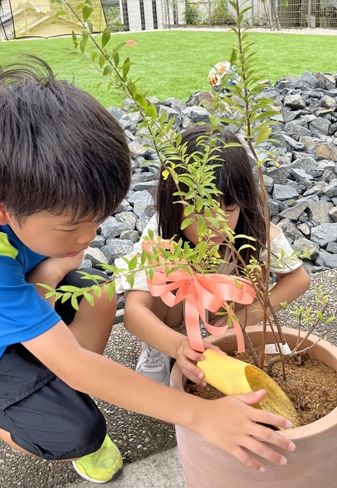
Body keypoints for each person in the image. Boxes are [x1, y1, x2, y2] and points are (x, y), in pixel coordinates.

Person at [0, 59, 295, 483]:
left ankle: (50, 386)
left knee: (98, 292)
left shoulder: (24, 187)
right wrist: (201, 414)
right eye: (72, 227)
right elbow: (75, 358)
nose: (88, 238)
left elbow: (55, 282)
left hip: (5, 301)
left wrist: (51, 271)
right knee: (79, 432)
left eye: (98, 220)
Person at [120, 125, 311, 387]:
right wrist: (177, 345)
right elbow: (134, 311)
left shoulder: (254, 229)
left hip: (221, 311)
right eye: (200, 210)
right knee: (162, 274)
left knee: (256, 268)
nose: (216, 225)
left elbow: (299, 279)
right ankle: (156, 347)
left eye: (229, 207)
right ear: (173, 204)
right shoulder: (161, 233)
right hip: (175, 317)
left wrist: (246, 318)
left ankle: (232, 339)